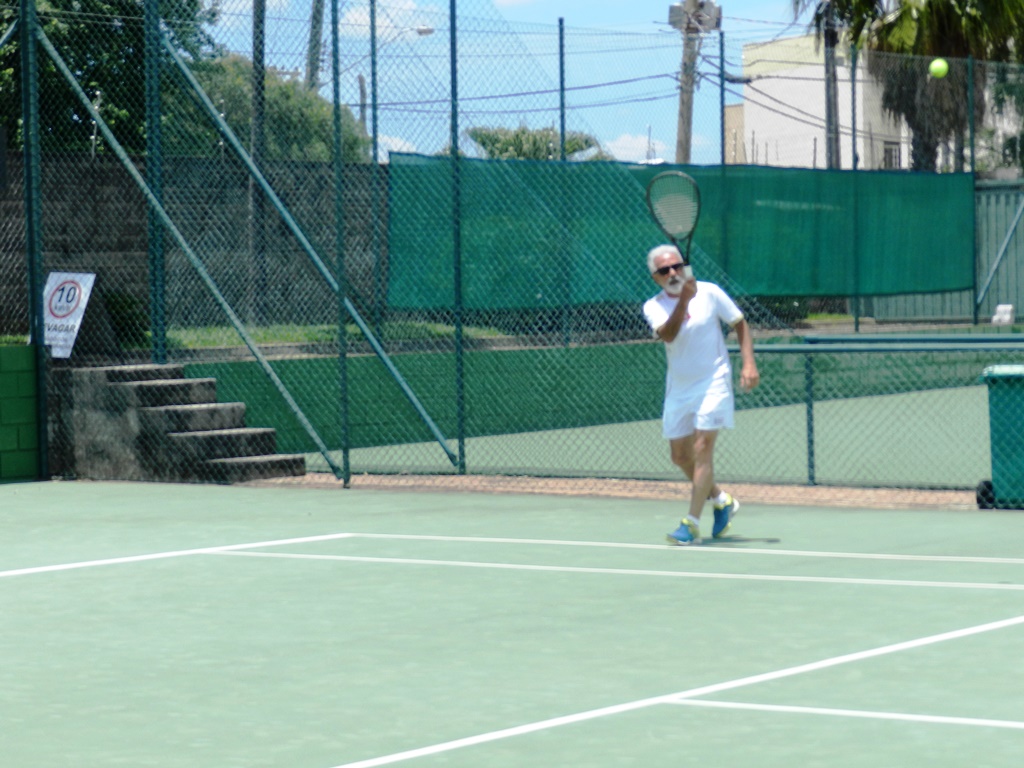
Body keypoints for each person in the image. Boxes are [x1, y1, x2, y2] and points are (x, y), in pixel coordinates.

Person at [642, 244, 760, 545]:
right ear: (655, 277)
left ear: (685, 267)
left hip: (714, 382)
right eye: (664, 270)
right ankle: (721, 500)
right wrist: (684, 299)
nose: (673, 273)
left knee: (702, 446)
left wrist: (748, 363)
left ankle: (691, 524)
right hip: (679, 389)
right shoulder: (653, 306)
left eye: (677, 266)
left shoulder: (710, 292)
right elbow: (669, 335)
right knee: (680, 457)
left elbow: (739, 323)